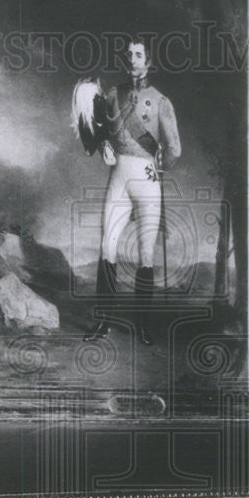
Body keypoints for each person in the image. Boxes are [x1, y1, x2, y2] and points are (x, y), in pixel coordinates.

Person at [74, 37, 181, 346]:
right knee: (108, 244)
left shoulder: (161, 101)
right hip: (119, 176)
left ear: (148, 61)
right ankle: (102, 323)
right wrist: (105, 144)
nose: (132, 59)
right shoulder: (112, 95)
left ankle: (143, 326)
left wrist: (161, 165)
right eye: (129, 54)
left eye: (138, 54)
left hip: (147, 178)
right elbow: (100, 131)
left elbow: (174, 147)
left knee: (145, 252)